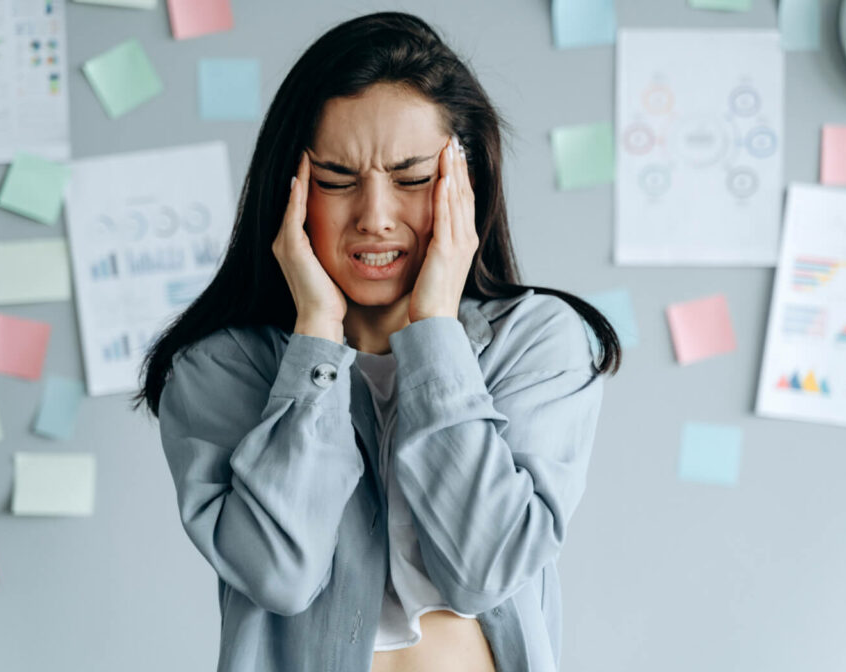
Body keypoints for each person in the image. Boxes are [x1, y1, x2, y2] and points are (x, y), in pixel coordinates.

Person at [134, 11, 621, 672]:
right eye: (336, 179)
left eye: (413, 178)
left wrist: (436, 336)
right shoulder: (220, 368)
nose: (375, 217)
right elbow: (281, 573)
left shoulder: (540, 342)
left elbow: (485, 569)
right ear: (291, 189)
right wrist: (315, 341)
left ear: (463, 181)